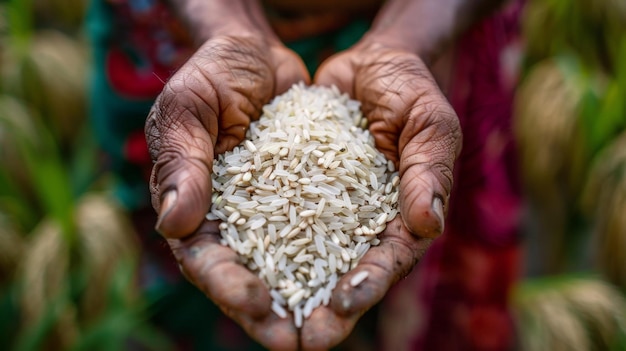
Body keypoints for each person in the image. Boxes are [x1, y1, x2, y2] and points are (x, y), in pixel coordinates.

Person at [88, 0, 522, 349]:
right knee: (179, 227)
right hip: (187, 32)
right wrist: (227, 20)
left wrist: (403, 39)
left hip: (429, 28)